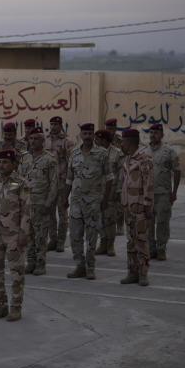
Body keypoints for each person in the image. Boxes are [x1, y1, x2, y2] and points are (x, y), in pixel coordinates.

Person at [0, 149, 31, 322]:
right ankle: (0, 306)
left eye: (5, 162)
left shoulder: (21, 183)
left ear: (13, 164)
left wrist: (23, 233)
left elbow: (27, 210)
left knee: (16, 273)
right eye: (0, 162)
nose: (2, 165)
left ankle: (16, 307)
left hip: (13, 235)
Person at [65, 123, 112, 280]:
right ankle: (79, 265)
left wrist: (105, 199)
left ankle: (90, 267)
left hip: (93, 202)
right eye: (84, 133)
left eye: (90, 133)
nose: (87, 136)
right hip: (76, 202)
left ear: (93, 135)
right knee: (75, 236)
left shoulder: (102, 154)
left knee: (91, 236)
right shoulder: (74, 153)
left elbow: (110, 178)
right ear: (81, 135)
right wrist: (65, 198)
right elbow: (69, 179)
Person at [18, 127, 57, 276]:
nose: (33, 142)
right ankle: (31, 262)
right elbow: (19, 180)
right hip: (27, 204)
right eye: (31, 139)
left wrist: (48, 203)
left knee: (41, 236)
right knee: (29, 236)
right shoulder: (24, 158)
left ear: (43, 141)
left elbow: (54, 183)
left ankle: (41, 265)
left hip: (41, 204)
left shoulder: (49, 159)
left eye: (36, 139)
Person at [119, 129, 154, 286]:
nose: (121, 144)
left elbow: (148, 183)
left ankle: (143, 273)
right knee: (131, 240)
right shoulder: (127, 159)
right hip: (128, 207)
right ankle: (132, 272)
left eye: (123, 141)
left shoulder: (144, 158)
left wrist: (148, 204)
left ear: (130, 141)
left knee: (141, 240)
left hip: (140, 206)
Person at [143, 123, 180, 261]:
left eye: (156, 132)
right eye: (151, 132)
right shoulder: (144, 152)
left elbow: (177, 171)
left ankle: (161, 249)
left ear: (162, 135)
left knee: (162, 222)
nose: (153, 135)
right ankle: (151, 249)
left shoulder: (169, 151)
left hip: (163, 193)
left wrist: (174, 192)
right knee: (148, 223)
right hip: (148, 194)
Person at [46, 115, 74, 252]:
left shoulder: (67, 141)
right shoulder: (45, 140)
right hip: (48, 182)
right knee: (50, 211)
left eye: (56, 124)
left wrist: (69, 182)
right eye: (51, 124)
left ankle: (61, 241)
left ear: (61, 125)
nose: (53, 127)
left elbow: (71, 163)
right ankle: (53, 239)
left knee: (62, 212)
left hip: (62, 181)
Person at [94, 129, 122, 257]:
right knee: (99, 219)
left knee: (110, 219)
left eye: (98, 139)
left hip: (111, 191)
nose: (96, 141)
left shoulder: (117, 154)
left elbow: (122, 173)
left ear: (104, 140)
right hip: (96, 191)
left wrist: (119, 190)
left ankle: (110, 244)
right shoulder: (93, 152)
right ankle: (103, 242)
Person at [105, 118, 124, 236]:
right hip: (106, 175)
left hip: (118, 173)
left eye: (112, 128)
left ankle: (120, 225)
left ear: (115, 128)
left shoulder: (120, 141)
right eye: (108, 129)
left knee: (119, 204)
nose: (110, 131)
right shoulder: (102, 139)